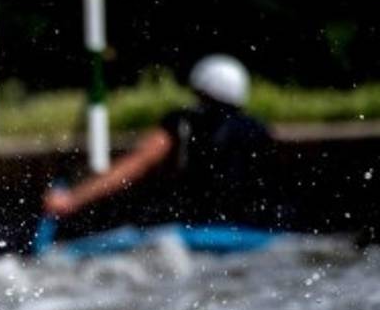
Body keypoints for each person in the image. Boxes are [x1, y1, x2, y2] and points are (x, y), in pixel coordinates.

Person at [43, 54, 275, 225]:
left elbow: (136, 165)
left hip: (188, 226)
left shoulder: (181, 122)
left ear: (200, 90)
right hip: (249, 228)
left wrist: (71, 199)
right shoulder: (258, 130)